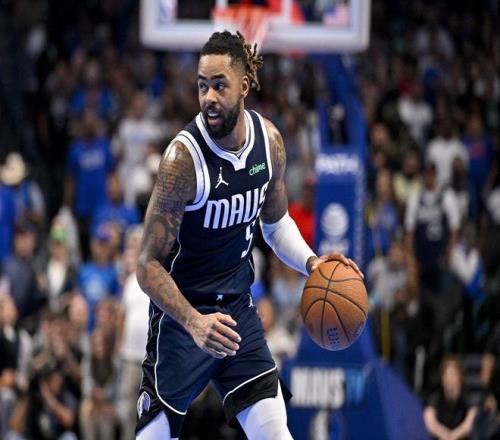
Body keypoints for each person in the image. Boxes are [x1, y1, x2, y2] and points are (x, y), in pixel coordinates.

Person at [135, 31, 362, 440]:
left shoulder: (269, 143)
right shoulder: (182, 161)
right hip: (183, 317)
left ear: (243, 85)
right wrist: (193, 322)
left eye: (219, 85)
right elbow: (146, 264)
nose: (208, 97)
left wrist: (312, 263)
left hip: (237, 310)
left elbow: (276, 224)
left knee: (275, 433)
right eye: (202, 86)